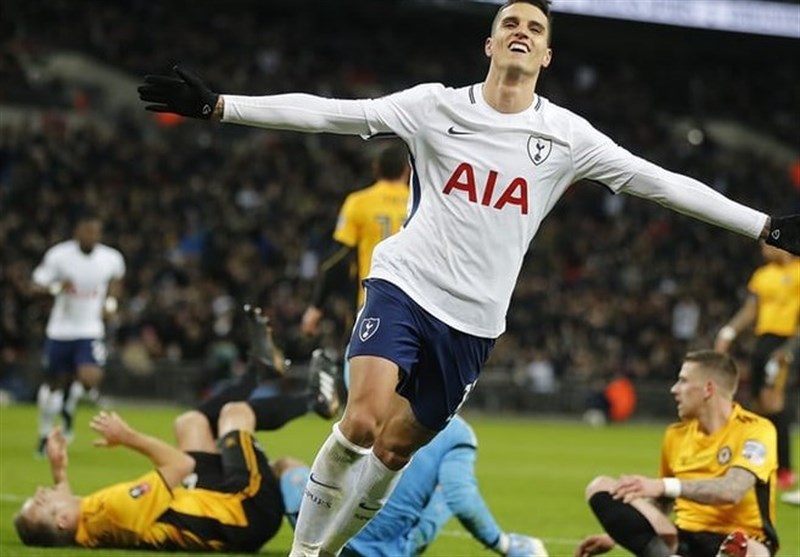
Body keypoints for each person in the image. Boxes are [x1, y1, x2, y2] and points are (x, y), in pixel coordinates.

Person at [137, 0, 800, 553]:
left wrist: (763, 225)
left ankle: (328, 549)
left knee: (394, 450)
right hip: (404, 283)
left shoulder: (567, 136)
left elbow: (660, 182)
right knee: (363, 420)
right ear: (490, 43)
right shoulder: (433, 106)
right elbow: (336, 113)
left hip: (474, 324)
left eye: (535, 28)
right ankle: (306, 552)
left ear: (546, 56)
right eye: (511, 23)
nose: (522, 32)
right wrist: (221, 106)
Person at [575, 350, 778, 557]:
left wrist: (662, 485)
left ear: (708, 389)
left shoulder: (755, 430)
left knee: (748, 550)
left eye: (683, 381)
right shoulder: (676, 435)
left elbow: (732, 490)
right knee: (601, 487)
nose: (674, 389)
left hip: (743, 540)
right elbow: (662, 501)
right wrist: (615, 535)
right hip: (683, 539)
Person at [31, 211, 125, 456]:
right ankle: (44, 434)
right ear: (77, 231)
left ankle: (69, 405)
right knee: (52, 386)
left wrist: (111, 304)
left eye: (95, 231)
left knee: (90, 378)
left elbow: (116, 282)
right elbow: (35, 285)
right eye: (87, 231)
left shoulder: (111, 258)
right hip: (60, 330)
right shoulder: (59, 255)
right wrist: (56, 287)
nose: (91, 235)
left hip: (90, 329)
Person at [300, 142, 411, 339]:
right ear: (407, 170)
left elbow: (338, 258)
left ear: (376, 168)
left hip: (373, 302)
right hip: (416, 306)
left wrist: (316, 306)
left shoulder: (359, 202)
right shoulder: (420, 203)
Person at [714, 241, 800, 490]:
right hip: (763, 342)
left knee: (774, 401)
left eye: (767, 245)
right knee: (758, 404)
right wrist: (728, 332)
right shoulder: (762, 275)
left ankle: (785, 470)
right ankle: (762, 462)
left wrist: (790, 348)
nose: (763, 249)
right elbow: (750, 309)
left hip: (786, 340)